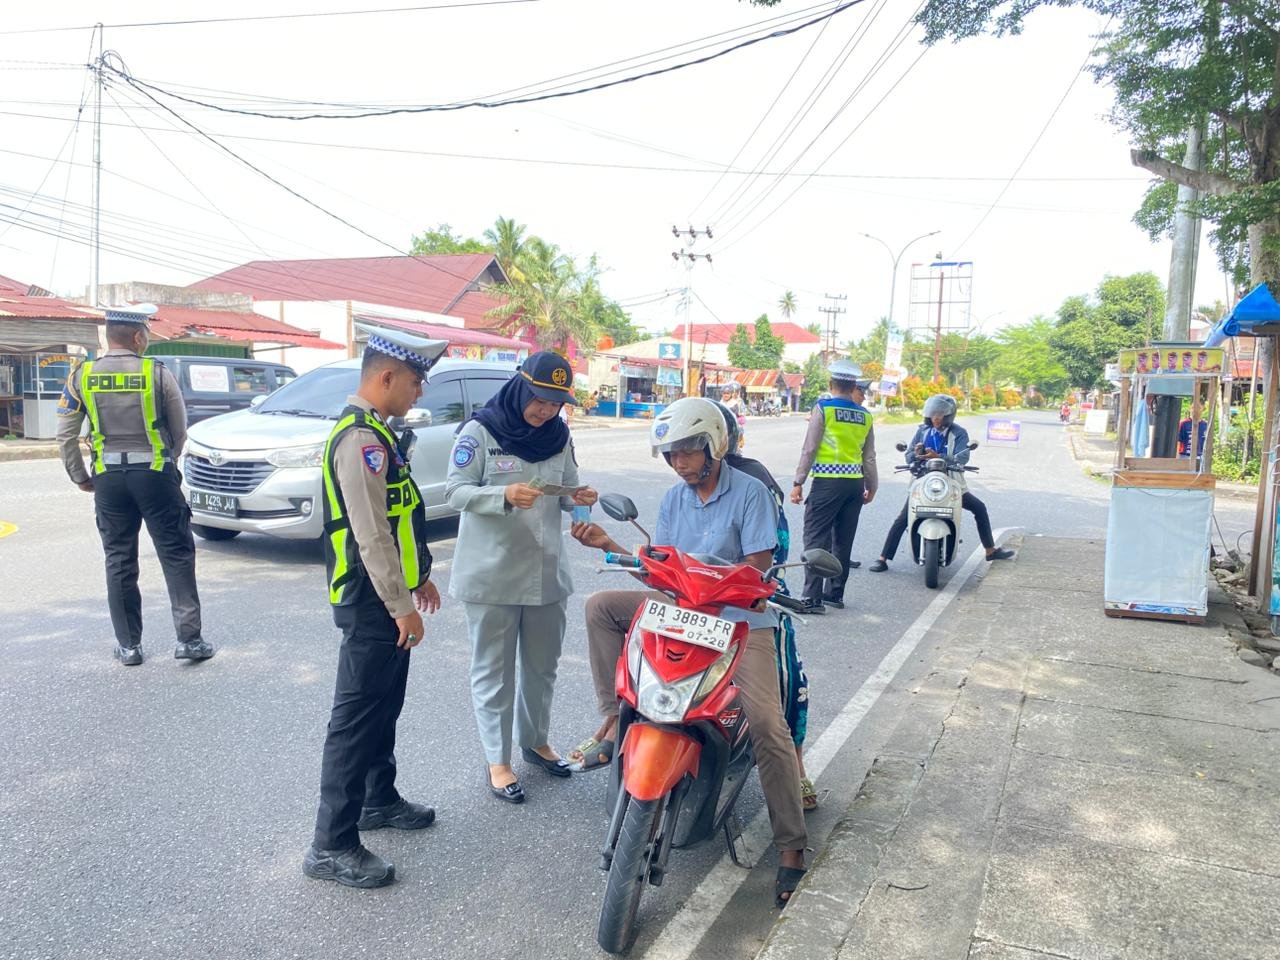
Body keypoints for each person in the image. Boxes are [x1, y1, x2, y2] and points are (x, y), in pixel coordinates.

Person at [569, 397, 808, 907]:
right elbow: (664, 565)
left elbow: (758, 573)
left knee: (768, 723)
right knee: (601, 608)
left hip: (740, 620)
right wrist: (611, 544)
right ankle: (614, 721)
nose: (678, 463)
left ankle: (790, 847)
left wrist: (719, 590)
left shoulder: (751, 494)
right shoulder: (676, 499)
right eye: (671, 455)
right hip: (682, 609)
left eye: (686, 452)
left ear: (712, 446)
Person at [303, 327, 446, 890]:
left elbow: (401, 519)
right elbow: (370, 534)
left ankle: (377, 800)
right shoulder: (358, 440)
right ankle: (330, 845)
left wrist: (422, 579)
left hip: (388, 597)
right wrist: (398, 604)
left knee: (384, 706)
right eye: (414, 382)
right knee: (355, 720)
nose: (418, 393)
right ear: (386, 377)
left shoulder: (380, 435)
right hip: (370, 601)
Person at [446, 351, 598, 805]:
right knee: (493, 670)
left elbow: (571, 490)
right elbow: (455, 491)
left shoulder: (558, 436)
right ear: (520, 386)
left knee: (541, 667)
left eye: (555, 403)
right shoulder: (480, 432)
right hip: (491, 574)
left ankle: (536, 742)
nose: (546, 411)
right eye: (539, 399)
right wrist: (502, 494)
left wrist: (582, 502)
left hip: (546, 573)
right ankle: (498, 760)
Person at [55, 303, 213, 666]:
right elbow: (178, 431)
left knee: (119, 559)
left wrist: (81, 477)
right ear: (139, 336)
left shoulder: (82, 375)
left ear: (107, 336)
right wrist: (165, 465)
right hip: (155, 475)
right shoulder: (157, 374)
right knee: (176, 554)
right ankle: (189, 640)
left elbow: (64, 436)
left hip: (108, 480)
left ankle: (129, 646)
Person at [714, 401, 818, 812]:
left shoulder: (752, 479)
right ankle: (616, 725)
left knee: (787, 682)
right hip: (697, 598)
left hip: (751, 598)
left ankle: (797, 765)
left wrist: (746, 581)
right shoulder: (683, 484)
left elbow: (773, 550)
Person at [869, 393, 1015, 573]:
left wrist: (939, 457)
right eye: (933, 413)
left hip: (952, 484)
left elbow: (963, 456)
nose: (936, 418)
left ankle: (990, 550)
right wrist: (916, 454)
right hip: (924, 484)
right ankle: (883, 558)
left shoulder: (959, 433)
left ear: (949, 415)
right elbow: (908, 456)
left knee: (979, 508)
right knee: (903, 517)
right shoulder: (922, 431)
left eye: (940, 414)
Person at [789, 359, 878, 614]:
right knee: (843, 540)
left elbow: (810, 448)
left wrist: (798, 482)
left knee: (816, 537)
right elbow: (869, 456)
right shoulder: (865, 415)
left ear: (831, 384)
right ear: (853, 387)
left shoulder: (824, 408)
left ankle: (812, 597)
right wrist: (872, 485)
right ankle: (835, 594)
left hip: (827, 483)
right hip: (854, 485)